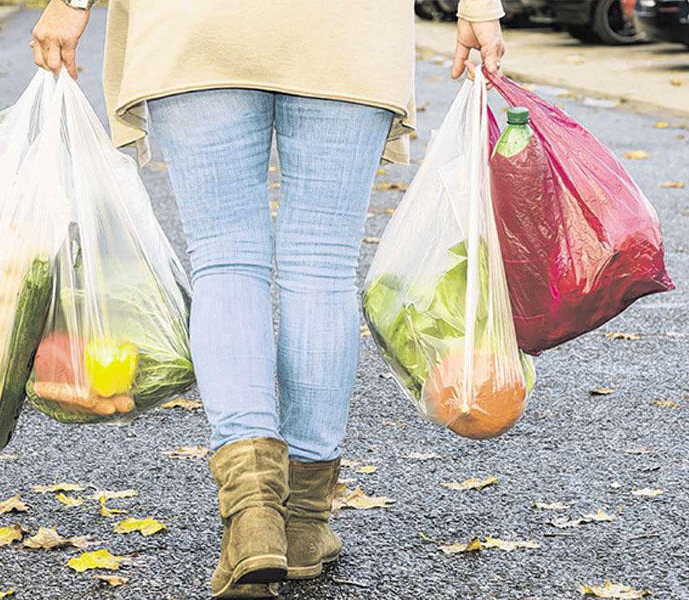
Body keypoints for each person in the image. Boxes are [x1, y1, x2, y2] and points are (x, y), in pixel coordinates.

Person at [30, 1, 505, 597]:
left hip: (197, 28)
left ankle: (253, 516)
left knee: (225, 259)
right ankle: (304, 522)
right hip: (346, 30)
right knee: (322, 265)